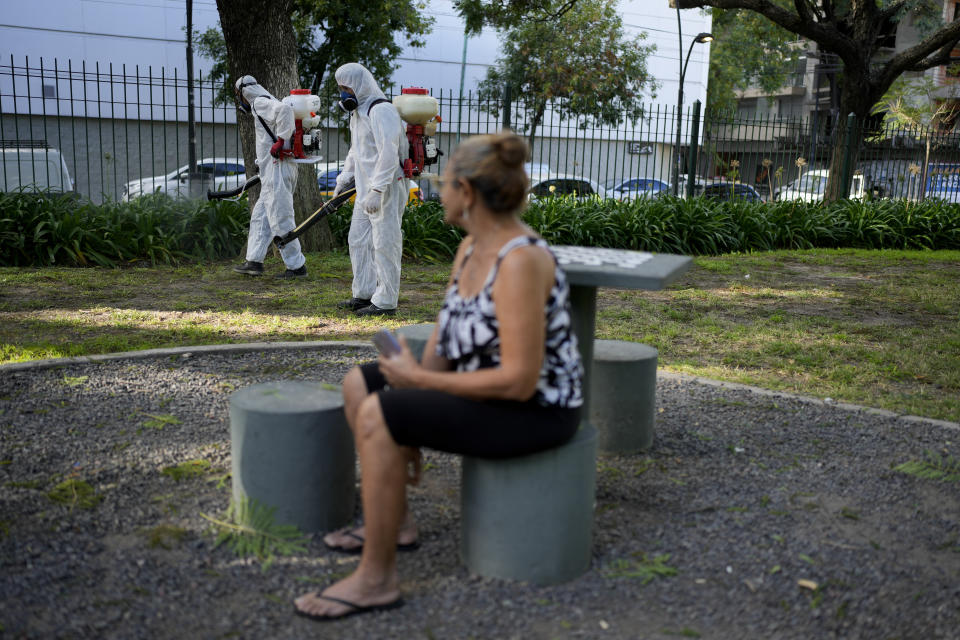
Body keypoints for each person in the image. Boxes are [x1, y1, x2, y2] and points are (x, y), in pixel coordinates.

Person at [293, 131, 584, 621]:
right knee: (361, 384)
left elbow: (518, 381)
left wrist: (418, 391)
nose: (434, 190)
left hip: (535, 411)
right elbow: (448, 343)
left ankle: (376, 579)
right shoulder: (472, 248)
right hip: (484, 391)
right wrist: (413, 380)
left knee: (382, 413)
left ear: (466, 193)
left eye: (442, 183)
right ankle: (397, 523)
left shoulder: (521, 260)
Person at [332, 63, 408, 316]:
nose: (344, 93)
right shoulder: (358, 113)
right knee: (358, 240)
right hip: (366, 189)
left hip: (386, 187)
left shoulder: (381, 109)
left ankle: (386, 301)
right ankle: (364, 294)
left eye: (346, 88)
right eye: (341, 88)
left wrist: (377, 189)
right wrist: (344, 180)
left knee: (385, 242)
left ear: (360, 85)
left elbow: (389, 150)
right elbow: (357, 151)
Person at [231, 75, 308, 279]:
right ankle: (254, 261)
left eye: (239, 96)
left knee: (281, 217)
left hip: (277, 168)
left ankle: (296, 267)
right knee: (261, 216)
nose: (241, 102)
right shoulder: (270, 101)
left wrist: (280, 141)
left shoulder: (259, 103)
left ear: (243, 94)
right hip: (274, 168)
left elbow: (285, 112)